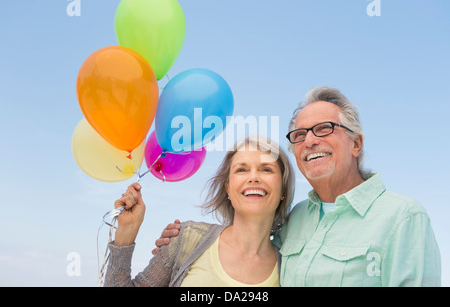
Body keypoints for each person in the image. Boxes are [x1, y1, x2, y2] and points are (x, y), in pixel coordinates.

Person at [156, 86, 441, 287]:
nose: (310, 141)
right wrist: (185, 240)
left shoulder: (403, 217)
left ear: (356, 144)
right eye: (300, 134)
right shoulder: (296, 219)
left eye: (324, 128)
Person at [103, 137, 295, 287]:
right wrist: (125, 236)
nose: (253, 177)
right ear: (228, 189)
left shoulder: (290, 268)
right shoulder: (187, 238)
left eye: (266, 169)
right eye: (242, 170)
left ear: (283, 191)